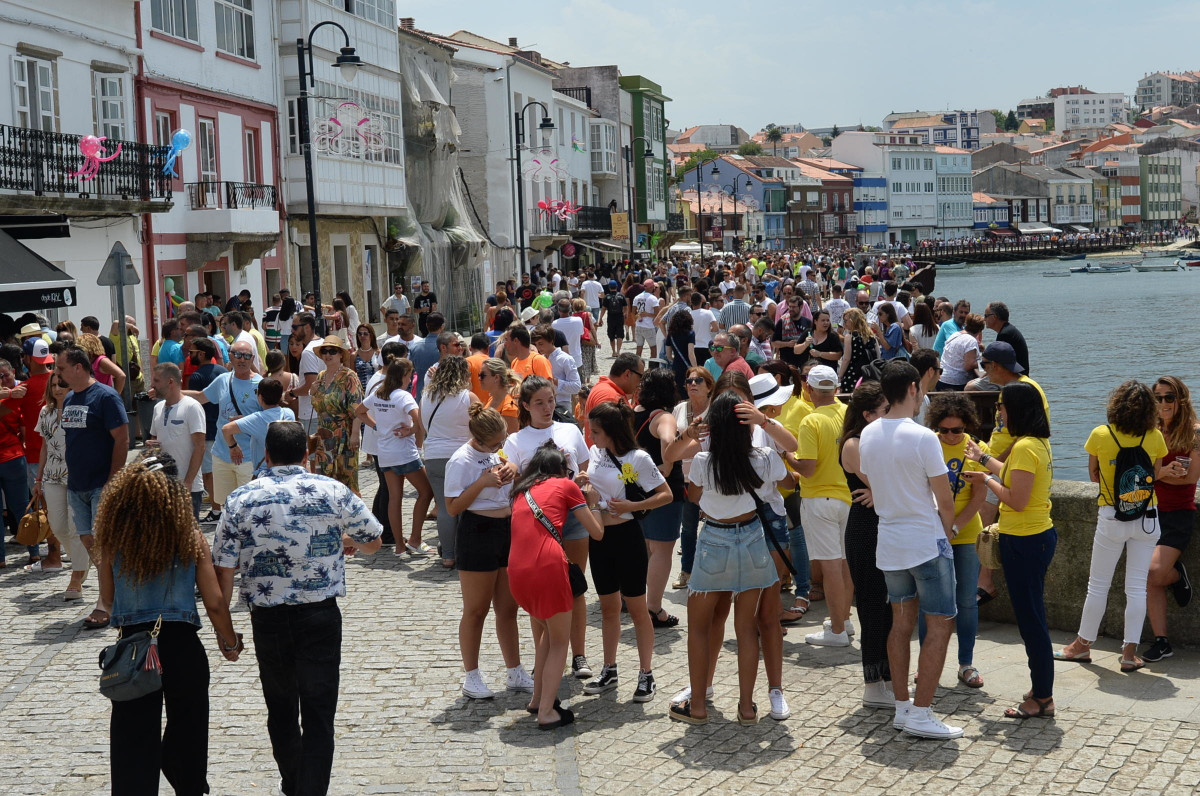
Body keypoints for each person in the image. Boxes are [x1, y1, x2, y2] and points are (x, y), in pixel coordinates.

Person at [214, 421, 382, 796]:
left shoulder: (241, 499)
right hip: (320, 615)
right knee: (320, 713)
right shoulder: (331, 489)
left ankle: (294, 784)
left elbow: (223, 568)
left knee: (281, 708)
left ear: (267, 455)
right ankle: (312, 789)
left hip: (268, 619)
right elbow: (374, 540)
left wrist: (224, 630)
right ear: (306, 455)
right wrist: (344, 540)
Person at [95, 453, 241, 795]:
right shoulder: (189, 536)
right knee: (188, 733)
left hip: (134, 649)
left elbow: (108, 599)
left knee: (131, 739)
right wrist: (230, 641)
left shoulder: (114, 539)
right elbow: (215, 601)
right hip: (180, 645)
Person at [858, 361, 961, 739]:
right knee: (939, 624)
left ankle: (903, 706)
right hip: (924, 542)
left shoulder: (868, 434)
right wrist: (947, 532)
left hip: (890, 542)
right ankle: (921, 712)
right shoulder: (923, 437)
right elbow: (943, 496)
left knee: (901, 624)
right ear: (915, 388)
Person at [668, 392, 785, 726]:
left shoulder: (705, 461)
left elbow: (693, 496)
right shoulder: (763, 457)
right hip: (752, 539)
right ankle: (747, 707)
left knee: (699, 628)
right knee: (747, 629)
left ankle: (699, 705)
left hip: (714, 541)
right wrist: (765, 421)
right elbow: (788, 464)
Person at [1055, 381, 1175, 673]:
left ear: (1116, 405)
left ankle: (1082, 645)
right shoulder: (1155, 436)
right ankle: (1128, 653)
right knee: (1135, 588)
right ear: (1150, 409)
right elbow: (1156, 473)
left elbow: (1094, 475)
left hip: (1112, 515)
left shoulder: (1100, 434)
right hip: (1147, 516)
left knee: (1098, 586)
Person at [961, 381, 1056, 720]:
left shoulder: (1026, 447)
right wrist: (984, 459)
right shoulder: (1034, 443)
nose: (998, 410)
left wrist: (985, 481)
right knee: (1032, 617)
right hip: (1034, 536)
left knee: (1031, 622)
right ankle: (1041, 686)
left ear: (1016, 410)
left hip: (1026, 541)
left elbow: (1015, 498)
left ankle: (1042, 697)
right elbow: (1015, 477)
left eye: (1002, 405)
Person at [579, 401, 672, 702]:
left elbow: (665, 495)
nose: (590, 437)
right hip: (599, 536)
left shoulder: (638, 458)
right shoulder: (596, 452)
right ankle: (610, 668)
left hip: (628, 536)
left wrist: (634, 506)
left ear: (612, 432)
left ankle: (647, 673)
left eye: (595, 432)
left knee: (637, 609)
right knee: (608, 608)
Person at [501, 375, 594, 677]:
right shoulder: (515, 441)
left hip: (573, 518)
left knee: (576, 587)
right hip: (537, 527)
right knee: (541, 597)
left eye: (551, 400)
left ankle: (578, 655)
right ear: (525, 406)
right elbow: (513, 483)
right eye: (539, 402)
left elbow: (584, 467)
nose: (547, 407)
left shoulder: (569, 429)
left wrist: (582, 482)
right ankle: (545, 657)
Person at [442, 403, 536, 700]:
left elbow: (509, 470)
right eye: (496, 443)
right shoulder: (461, 460)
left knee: (508, 608)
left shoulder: (497, 451)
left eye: (503, 440)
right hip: (476, 532)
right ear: (479, 440)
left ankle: (515, 670)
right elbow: (452, 507)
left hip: (506, 530)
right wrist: (481, 482)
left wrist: (513, 468)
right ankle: (472, 676)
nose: (501, 446)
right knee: (476, 609)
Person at [509, 441, 604, 728]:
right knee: (560, 641)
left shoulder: (520, 492)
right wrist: (594, 501)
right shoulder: (566, 486)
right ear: (562, 470)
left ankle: (538, 699)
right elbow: (597, 533)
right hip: (548, 567)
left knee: (546, 637)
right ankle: (547, 712)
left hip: (518, 571)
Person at [922, 393, 990, 689]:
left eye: (957, 430)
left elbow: (979, 497)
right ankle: (927, 664)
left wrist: (957, 526)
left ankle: (966, 664)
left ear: (967, 427)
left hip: (965, 532)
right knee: (932, 602)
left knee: (966, 600)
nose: (950, 436)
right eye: (944, 430)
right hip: (931, 532)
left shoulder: (977, 449)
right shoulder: (926, 444)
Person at [58, 346, 129, 629]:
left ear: (78, 367)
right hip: (77, 485)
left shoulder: (106, 396)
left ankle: (105, 602)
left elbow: (122, 440)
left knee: (105, 545)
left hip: (102, 483)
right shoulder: (70, 397)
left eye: (61, 368)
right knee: (90, 543)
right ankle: (117, 590)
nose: (57, 373)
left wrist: (113, 479)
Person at [839, 382, 895, 709]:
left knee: (886, 609)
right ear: (867, 413)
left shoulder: (876, 441)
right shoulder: (853, 444)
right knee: (873, 608)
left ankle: (887, 678)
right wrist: (880, 492)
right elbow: (885, 484)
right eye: (884, 411)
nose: (890, 417)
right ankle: (872, 684)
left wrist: (881, 492)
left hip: (881, 525)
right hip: (865, 529)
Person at [794, 365, 854, 646]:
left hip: (819, 499)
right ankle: (844, 621)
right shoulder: (848, 413)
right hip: (847, 497)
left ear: (809, 389)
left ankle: (838, 631)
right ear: (836, 388)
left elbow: (806, 468)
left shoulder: (811, 420)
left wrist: (785, 454)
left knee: (831, 567)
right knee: (843, 565)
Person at [1143, 376, 1199, 662]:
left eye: (1169, 397)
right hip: (1148, 511)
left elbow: (1189, 478)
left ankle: (1177, 576)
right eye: (1157, 397)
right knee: (1149, 578)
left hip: (1178, 514)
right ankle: (1162, 642)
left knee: (1155, 573)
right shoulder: (1147, 430)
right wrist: (1163, 473)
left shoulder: (1195, 434)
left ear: (1181, 400)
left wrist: (1155, 474)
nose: (1162, 403)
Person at [356, 359, 434, 556]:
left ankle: (399, 545)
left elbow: (359, 412)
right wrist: (411, 431)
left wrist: (376, 427)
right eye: (410, 376)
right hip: (405, 453)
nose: (410, 380)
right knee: (426, 492)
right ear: (403, 376)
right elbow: (420, 419)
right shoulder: (403, 397)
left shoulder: (378, 394)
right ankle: (415, 538)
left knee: (394, 498)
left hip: (385, 453)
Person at [185, 340, 262, 523]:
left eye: (246, 356)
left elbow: (268, 418)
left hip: (248, 457)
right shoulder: (222, 380)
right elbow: (200, 397)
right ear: (230, 357)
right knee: (227, 506)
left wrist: (244, 422)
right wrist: (171, 392)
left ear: (252, 359)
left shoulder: (261, 384)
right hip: (221, 454)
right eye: (237, 355)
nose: (241, 360)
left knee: (249, 507)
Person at [633, 369, 685, 630]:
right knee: (662, 550)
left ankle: (642, 602)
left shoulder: (634, 413)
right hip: (663, 491)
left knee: (647, 549)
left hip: (637, 489)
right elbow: (668, 440)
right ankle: (653, 608)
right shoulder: (663, 417)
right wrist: (667, 462)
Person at [34, 375, 89, 598]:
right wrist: (38, 480)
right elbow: (44, 447)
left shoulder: (79, 409)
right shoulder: (45, 413)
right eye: (53, 385)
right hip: (52, 476)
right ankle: (82, 560)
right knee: (57, 526)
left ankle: (77, 575)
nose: (57, 389)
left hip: (77, 475)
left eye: (62, 384)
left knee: (76, 528)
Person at [421, 355, 478, 568]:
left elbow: (423, 426)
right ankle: (463, 552)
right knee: (464, 507)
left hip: (434, 456)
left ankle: (448, 555)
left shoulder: (426, 397)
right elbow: (481, 426)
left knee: (445, 508)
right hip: (461, 457)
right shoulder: (467, 397)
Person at [670, 367, 714, 591]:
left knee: (713, 525)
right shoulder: (679, 409)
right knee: (687, 527)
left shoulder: (715, 410)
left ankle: (710, 570)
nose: (692, 384)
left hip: (710, 477)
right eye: (689, 381)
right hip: (684, 476)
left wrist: (677, 451)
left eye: (698, 380)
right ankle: (687, 570)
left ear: (709, 386)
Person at [149, 363, 207, 520]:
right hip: (162, 486)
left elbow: (200, 447)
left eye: (156, 380)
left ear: (170, 381)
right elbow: (155, 438)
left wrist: (188, 482)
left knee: (188, 540)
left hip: (188, 487)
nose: (152, 385)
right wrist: (152, 446)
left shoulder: (192, 407)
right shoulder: (158, 408)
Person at [310, 335, 363, 493]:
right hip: (324, 437)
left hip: (344, 436)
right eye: (325, 351)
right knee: (325, 482)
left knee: (346, 480)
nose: (328, 354)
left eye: (332, 351)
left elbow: (358, 408)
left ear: (341, 354)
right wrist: (312, 392)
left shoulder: (349, 377)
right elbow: (319, 404)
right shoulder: (321, 376)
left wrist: (355, 434)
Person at [221, 377, 295, 479]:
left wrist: (233, 447)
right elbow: (269, 417)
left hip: (265, 474)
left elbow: (226, 429)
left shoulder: (257, 419)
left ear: (260, 397)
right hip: (287, 472)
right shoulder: (289, 413)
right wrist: (248, 419)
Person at [582, 353, 643, 447]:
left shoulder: (605, 387)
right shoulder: (611, 397)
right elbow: (617, 436)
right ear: (627, 374)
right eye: (640, 377)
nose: (640, 382)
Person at [531, 325, 580, 414]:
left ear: (551, 341)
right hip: (541, 405)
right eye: (536, 344)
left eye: (541, 343)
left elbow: (576, 387)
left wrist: (554, 381)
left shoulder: (566, 359)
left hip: (562, 404)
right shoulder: (538, 359)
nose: (538, 348)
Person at [936, 313, 984, 391]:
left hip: (942, 378)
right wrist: (986, 363)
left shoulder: (955, 335)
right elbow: (968, 365)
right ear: (980, 330)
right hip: (955, 383)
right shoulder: (971, 340)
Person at [837, 308, 877, 393]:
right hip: (870, 375)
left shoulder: (850, 336)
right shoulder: (872, 336)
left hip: (853, 375)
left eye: (845, 321)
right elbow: (878, 355)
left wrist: (840, 376)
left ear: (853, 321)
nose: (844, 324)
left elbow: (846, 359)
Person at [984, 302, 1029, 375]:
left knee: (971, 385)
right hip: (1016, 375)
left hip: (1015, 378)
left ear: (994, 317)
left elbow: (997, 365)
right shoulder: (1008, 330)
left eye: (986, 316)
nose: (984, 319)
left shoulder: (1005, 334)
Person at [479, 357, 520, 434]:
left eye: (482, 375)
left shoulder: (509, 407)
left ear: (496, 377)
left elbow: (510, 441)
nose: (479, 378)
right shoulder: (492, 399)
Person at [664, 310, 696, 398]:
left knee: (679, 392)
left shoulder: (671, 335)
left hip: (676, 366)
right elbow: (691, 353)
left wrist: (674, 359)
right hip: (687, 367)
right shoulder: (690, 333)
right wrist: (695, 368)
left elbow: (668, 355)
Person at [632, 280, 660, 358]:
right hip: (648, 326)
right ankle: (652, 367)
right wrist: (648, 314)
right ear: (652, 287)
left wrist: (638, 317)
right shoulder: (652, 298)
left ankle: (636, 367)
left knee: (639, 348)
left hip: (639, 325)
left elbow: (633, 312)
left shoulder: (637, 297)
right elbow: (657, 314)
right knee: (654, 348)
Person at [599, 282, 628, 356]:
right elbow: (625, 306)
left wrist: (601, 318)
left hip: (611, 317)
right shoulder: (621, 296)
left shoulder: (607, 297)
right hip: (619, 316)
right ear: (616, 287)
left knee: (611, 334)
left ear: (609, 287)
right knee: (620, 334)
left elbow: (603, 308)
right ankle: (618, 351)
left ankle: (613, 351)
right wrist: (625, 314)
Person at [352, 324, 379, 390]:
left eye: (365, 333)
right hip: (361, 391)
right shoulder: (354, 355)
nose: (362, 336)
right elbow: (352, 377)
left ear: (371, 335)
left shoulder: (378, 353)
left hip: (376, 390)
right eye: (360, 334)